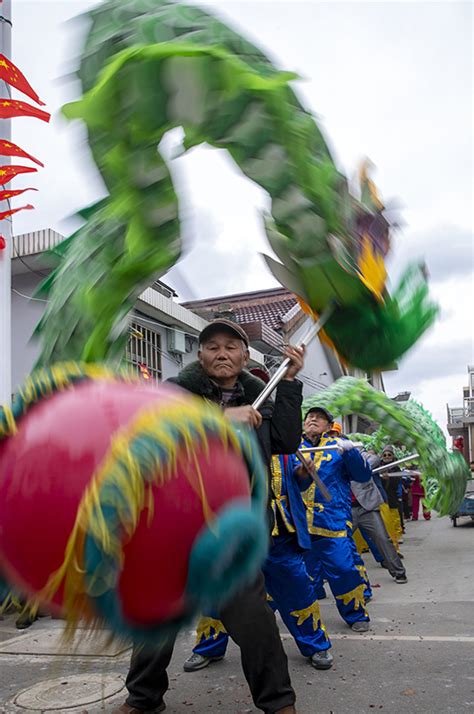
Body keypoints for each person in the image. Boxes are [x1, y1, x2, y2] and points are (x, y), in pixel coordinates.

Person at [114, 318, 305, 714]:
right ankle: (142, 698)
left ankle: (278, 702)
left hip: (235, 528)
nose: (222, 353)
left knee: (253, 618)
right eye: (213, 346)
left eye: (231, 346)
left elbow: (286, 441)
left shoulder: (261, 396)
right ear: (199, 354)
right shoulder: (174, 394)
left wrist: (288, 384)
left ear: (245, 355)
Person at [185, 452, 333, 673]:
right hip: (236, 531)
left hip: (280, 533)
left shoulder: (285, 446)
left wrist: (303, 473)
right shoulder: (226, 440)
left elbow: (297, 484)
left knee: (297, 587)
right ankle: (209, 646)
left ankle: (315, 645)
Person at [298, 408, 372, 633]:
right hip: (299, 523)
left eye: (319, 417)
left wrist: (350, 453)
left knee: (343, 568)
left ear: (330, 425)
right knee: (297, 573)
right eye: (309, 417)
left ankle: (356, 613)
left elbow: (363, 476)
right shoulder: (293, 448)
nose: (312, 419)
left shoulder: (338, 448)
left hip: (332, 521)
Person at [351, 451, 408, 584]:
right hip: (346, 509)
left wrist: (354, 467)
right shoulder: (329, 459)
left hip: (367, 507)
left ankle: (399, 572)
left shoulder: (359, 455)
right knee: (337, 543)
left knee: (383, 539)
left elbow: (375, 459)